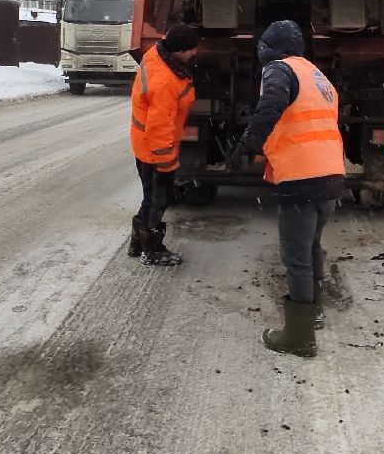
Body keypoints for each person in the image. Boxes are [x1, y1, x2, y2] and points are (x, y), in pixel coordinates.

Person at [227, 20, 346, 358]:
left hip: (301, 176)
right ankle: (315, 311)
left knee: (296, 257)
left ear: (269, 47)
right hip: (331, 173)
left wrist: (249, 144)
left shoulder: (279, 70)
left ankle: (300, 337)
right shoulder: (318, 76)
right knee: (311, 248)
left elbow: (271, 106)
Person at [129, 23, 200, 265]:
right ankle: (153, 251)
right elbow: (159, 128)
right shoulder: (165, 83)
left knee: (150, 197)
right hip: (153, 151)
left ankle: (137, 243)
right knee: (157, 199)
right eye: (191, 49)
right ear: (178, 51)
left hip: (144, 146)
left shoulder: (156, 56)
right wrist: (167, 165)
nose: (194, 53)